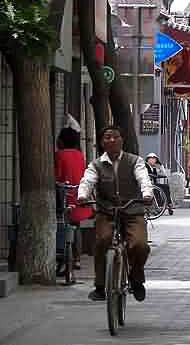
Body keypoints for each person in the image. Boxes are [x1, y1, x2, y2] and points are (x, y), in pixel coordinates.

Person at [77, 125, 153, 302]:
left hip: (133, 211)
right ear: (102, 143)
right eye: (107, 137)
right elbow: (87, 181)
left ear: (122, 140)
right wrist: (82, 195)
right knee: (102, 241)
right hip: (107, 211)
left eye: (115, 137)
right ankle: (100, 285)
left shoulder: (135, 161)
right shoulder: (96, 165)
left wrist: (147, 194)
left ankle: (136, 277)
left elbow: (143, 178)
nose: (112, 140)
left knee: (140, 245)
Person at [54, 127, 87, 273]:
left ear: (61, 141)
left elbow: (57, 176)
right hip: (79, 195)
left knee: (61, 225)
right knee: (77, 226)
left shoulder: (59, 155)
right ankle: (77, 259)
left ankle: (62, 257)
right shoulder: (80, 155)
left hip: (63, 196)